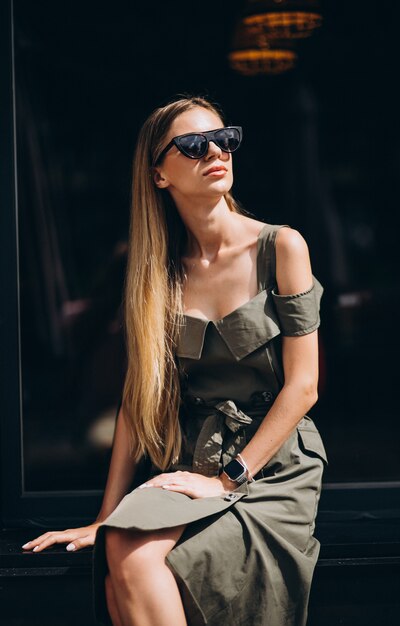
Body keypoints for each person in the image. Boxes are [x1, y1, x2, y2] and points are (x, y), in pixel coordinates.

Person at [22, 95, 328, 626]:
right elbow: (136, 403)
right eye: (192, 144)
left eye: (225, 138)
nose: (216, 151)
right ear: (158, 174)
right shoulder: (158, 275)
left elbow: (304, 387)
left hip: (272, 467)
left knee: (129, 577)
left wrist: (230, 478)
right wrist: (103, 517)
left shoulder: (282, 247)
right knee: (121, 551)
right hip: (191, 464)